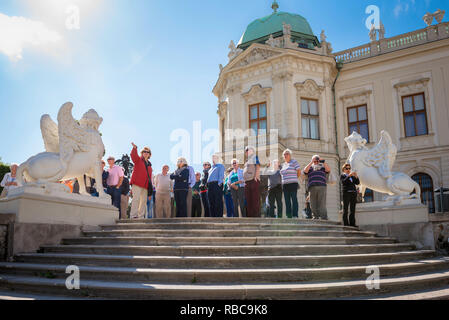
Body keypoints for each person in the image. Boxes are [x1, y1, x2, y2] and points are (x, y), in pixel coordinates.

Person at [130, 143, 153, 219]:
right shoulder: (138, 160)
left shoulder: (149, 165)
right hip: (137, 183)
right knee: (136, 199)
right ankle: (133, 216)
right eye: (144, 151)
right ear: (142, 153)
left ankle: (141, 216)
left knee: (143, 202)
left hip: (145, 186)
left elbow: (150, 178)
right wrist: (134, 148)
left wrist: (150, 189)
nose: (146, 153)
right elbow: (133, 156)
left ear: (149, 154)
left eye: (147, 152)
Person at [304, 155, 331, 220]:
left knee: (322, 203)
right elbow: (305, 171)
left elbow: (328, 170)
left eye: (317, 160)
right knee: (313, 203)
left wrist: (323, 162)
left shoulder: (322, 167)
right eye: (314, 161)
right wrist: (311, 162)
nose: (316, 162)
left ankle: (324, 217)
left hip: (322, 186)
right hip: (312, 187)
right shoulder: (310, 167)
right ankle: (315, 216)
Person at [280, 149, 301, 219]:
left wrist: (294, 178)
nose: (285, 155)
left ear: (290, 155)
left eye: (287, 154)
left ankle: (295, 215)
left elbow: (299, 172)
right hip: (285, 185)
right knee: (287, 201)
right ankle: (288, 216)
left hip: (293, 184)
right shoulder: (283, 165)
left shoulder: (294, 162)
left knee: (294, 199)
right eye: (284, 154)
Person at [243, 146, 261, 217]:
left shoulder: (254, 157)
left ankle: (256, 216)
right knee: (248, 199)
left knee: (255, 199)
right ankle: (250, 216)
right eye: (246, 150)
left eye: (248, 150)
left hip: (253, 180)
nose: (247, 151)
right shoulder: (247, 161)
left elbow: (258, 166)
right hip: (247, 182)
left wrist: (256, 177)